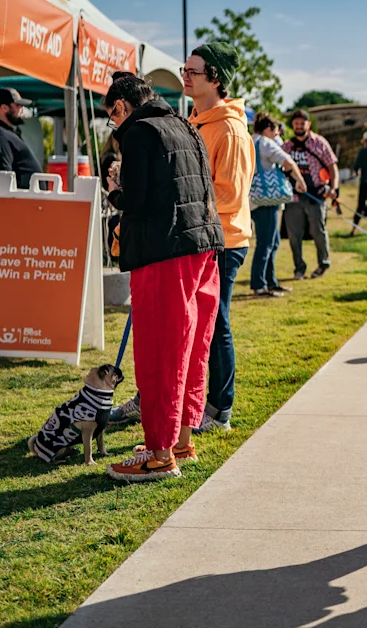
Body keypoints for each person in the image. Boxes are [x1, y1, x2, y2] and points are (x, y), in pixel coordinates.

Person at [102, 75, 223, 482]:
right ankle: (182, 439)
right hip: (204, 244)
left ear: (120, 107)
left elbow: (134, 200)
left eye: (110, 118)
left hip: (165, 250)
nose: (113, 127)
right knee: (193, 348)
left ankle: (160, 453)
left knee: (161, 350)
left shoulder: (137, 132)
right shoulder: (187, 124)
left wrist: (114, 189)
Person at [186, 42, 255, 433]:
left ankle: (219, 411)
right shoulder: (198, 120)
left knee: (217, 324)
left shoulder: (229, 129)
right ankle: (198, 403)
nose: (185, 75)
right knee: (201, 325)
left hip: (224, 242)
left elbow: (229, 195)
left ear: (216, 78)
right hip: (202, 236)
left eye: (193, 71)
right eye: (185, 68)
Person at [250, 114, 307, 297]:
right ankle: (260, 285)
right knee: (266, 243)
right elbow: (288, 162)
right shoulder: (265, 143)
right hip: (267, 199)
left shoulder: (250, 141)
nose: (277, 134)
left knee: (272, 242)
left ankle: (270, 281)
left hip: (256, 198)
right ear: (268, 129)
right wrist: (300, 180)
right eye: (275, 130)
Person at [282, 109, 339, 279]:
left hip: (316, 195)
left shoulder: (319, 143)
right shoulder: (287, 146)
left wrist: (334, 188)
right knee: (294, 234)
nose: (299, 126)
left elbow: (332, 166)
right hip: (293, 196)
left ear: (309, 124)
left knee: (318, 231)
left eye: (302, 123)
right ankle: (299, 268)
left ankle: (323, 263)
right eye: (296, 123)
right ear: (293, 125)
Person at [0, 87, 39, 215]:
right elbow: (3, 177)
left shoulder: (3, 133)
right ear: (4, 108)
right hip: (10, 211)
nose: (21, 109)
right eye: (17, 105)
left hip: (21, 207)